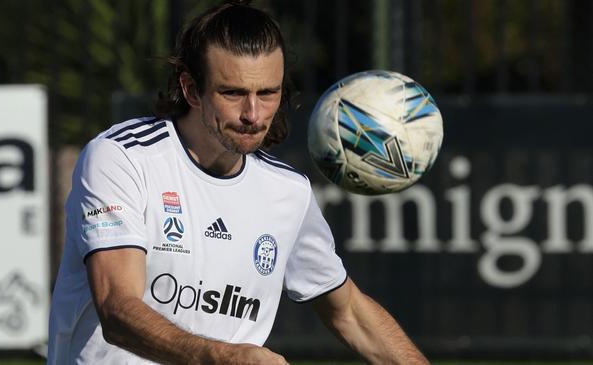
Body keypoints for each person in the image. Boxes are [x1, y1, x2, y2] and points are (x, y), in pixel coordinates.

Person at [47, 1, 430, 364]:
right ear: (191, 89)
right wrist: (222, 357)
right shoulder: (123, 158)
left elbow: (349, 312)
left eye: (268, 93)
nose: (253, 114)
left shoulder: (286, 191)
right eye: (233, 93)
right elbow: (117, 308)